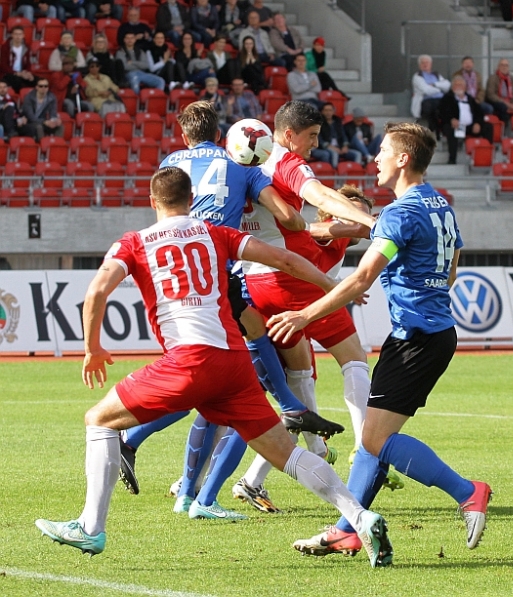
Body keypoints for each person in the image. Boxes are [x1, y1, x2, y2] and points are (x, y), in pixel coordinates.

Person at [34, 167, 393, 568]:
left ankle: (90, 527)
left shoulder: (134, 242)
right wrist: (333, 287)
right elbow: (283, 259)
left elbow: (98, 289)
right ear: (191, 200)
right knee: (285, 453)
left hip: (188, 359)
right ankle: (360, 517)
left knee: (99, 420)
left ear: (152, 201)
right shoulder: (215, 233)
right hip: (234, 363)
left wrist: (92, 348)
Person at [267, 121, 492, 559]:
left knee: (374, 442)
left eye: (384, 151)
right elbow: (450, 270)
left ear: (403, 159)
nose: (376, 158)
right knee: (373, 436)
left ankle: (468, 491)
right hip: (435, 332)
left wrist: (304, 315)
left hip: (414, 339)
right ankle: (347, 530)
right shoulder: (440, 205)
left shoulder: (399, 213)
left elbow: (361, 278)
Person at [116, 102, 345, 505]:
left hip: (177, 270)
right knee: (217, 381)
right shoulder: (240, 164)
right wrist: (304, 223)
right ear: (222, 135)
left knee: (215, 371)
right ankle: (284, 412)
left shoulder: (171, 163)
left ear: (184, 136)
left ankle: (182, 480)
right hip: (215, 265)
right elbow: (287, 218)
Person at [234, 101, 388, 511]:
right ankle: (367, 451)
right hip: (289, 277)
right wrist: (371, 222)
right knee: (354, 358)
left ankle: (299, 455)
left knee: (296, 378)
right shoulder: (284, 162)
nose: (314, 145)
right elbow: (318, 196)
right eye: (312, 136)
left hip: (251, 281)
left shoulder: (241, 167)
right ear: (287, 135)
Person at [438, 74, 493, 165]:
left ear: (465, 87)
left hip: (470, 127)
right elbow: (442, 112)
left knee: (488, 126)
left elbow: (479, 113)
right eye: (456, 85)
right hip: (456, 126)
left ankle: (487, 156)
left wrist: (477, 123)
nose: (458, 87)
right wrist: (451, 119)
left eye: (461, 85)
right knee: (449, 129)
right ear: (452, 87)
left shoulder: (470, 99)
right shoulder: (447, 98)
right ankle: (452, 159)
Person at [410, 54, 451, 133]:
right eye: (423, 63)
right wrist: (440, 89)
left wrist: (435, 84)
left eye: (427, 62)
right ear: (419, 65)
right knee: (432, 108)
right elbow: (426, 90)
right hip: (426, 100)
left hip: (440, 99)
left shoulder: (436, 75)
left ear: (430, 64)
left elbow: (447, 85)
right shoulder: (417, 76)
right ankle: (434, 131)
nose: (425, 64)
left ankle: (441, 130)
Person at [311, 101, 359, 167]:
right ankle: (334, 171)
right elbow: (319, 139)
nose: (328, 112)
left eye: (330, 110)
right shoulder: (318, 123)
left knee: (357, 154)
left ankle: (357, 171)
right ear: (322, 112)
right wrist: (330, 147)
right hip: (324, 147)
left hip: (339, 147)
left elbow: (343, 135)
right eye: (326, 110)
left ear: (333, 111)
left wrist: (345, 146)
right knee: (334, 154)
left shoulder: (338, 121)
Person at [0, 26, 35, 93]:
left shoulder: (27, 47)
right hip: (9, 73)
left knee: (36, 80)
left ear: (23, 35)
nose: (18, 36)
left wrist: (28, 73)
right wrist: (17, 73)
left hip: (22, 73)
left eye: (20, 34)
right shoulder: (5, 47)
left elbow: (28, 63)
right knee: (18, 81)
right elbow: (3, 65)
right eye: (15, 34)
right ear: (12, 35)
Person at [485, 58, 513, 124]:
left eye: (506, 65)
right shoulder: (492, 78)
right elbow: (491, 95)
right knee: (503, 107)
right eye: (502, 65)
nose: (504, 67)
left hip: (511, 101)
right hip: (497, 101)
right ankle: (503, 128)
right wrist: (506, 103)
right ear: (498, 67)